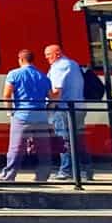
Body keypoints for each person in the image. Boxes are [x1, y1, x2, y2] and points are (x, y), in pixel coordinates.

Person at [0, 48, 52, 182]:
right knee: (43, 148)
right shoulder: (43, 76)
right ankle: (43, 176)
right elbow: (52, 98)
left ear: (21, 59)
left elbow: (6, 95)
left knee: (16, 147)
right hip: (41, 117)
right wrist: (47, 110)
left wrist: (10, 111)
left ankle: (9, 175)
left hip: (22, 116)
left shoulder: (14, 74)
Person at [44, 43, 85, 181]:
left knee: (64, 140)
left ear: (57, 53)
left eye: (48, 55)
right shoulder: (73, 64)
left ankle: (66, 171)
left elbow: (56, 91)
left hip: (63, 109)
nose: (46, 58)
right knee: (78, 140)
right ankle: (84, 171)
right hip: (78, 107)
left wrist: (48, 107)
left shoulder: (59, 67)